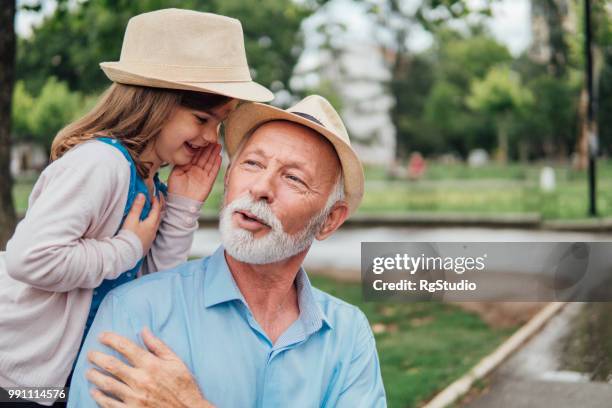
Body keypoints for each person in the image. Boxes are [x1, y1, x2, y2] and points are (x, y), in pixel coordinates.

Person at [0, 8, 272, 407]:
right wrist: (126, 247)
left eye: (218, 124)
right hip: (17, 377)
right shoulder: (100, 164)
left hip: (64, 382)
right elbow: (32, 260)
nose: (209, 137)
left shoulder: (148, 182)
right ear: (154, 103)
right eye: (200, 118)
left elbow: (153, 286)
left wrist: (182, 206)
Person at [68, 95, 387, 407]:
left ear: (329, 220)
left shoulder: (348, 335)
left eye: (293, 178)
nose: (261, 188)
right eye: (252, 163)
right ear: (229, 175)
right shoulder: (135, 310)